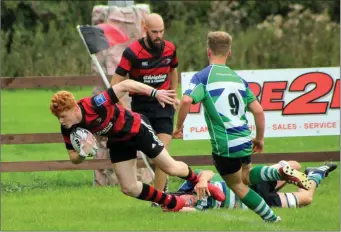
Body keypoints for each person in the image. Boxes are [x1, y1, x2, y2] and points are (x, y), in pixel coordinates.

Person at [173, 31, 312, 222]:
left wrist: (179, 126)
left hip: (225, 144)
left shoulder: (202, 77)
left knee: (238, 186)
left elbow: (187, 99)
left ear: (208, 51)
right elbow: (259, 111)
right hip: (245, 138)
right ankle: (278, 171)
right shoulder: (238, 79)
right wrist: (260, 139)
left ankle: (271, 219)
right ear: (229, 53)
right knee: (246, 176)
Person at [50, 79, 224, 212]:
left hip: (136, 128)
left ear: (74, 109)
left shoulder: (95, 104)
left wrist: (156, 93)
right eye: (58, 117)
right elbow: (74, 158)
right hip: (118, 140)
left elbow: (126, 84)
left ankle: (201, 180)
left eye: (63, 116)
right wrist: (83, 151)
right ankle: (174, 203)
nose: (61, 121)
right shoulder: (69, 128)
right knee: (129, 188)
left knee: (170, 167)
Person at [111, 13, 179, 195]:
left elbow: (173, 71)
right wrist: (123, 107)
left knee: (162, 153)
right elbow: (115, 83)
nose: (159, 36)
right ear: (144, 29)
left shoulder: (170, 49)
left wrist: (174, 94)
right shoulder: (132, 52)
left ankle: (160, 198)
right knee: (152, 154)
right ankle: (161, 191)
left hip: (164, 107)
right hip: (141, 107)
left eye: (162, 31)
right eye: (155, 32)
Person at [168, 161, 337, 212]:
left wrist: (202, 181)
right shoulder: (195, 209)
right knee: (306, 198)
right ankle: (317, 173)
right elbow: (182, 209)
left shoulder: (188, 184)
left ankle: (280, 174)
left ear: (178, 193)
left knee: (294, 165)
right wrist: (172, 206)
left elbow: (207, 172)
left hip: (246, 183)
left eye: (183, 199)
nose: (188, 202)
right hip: (255, 201)